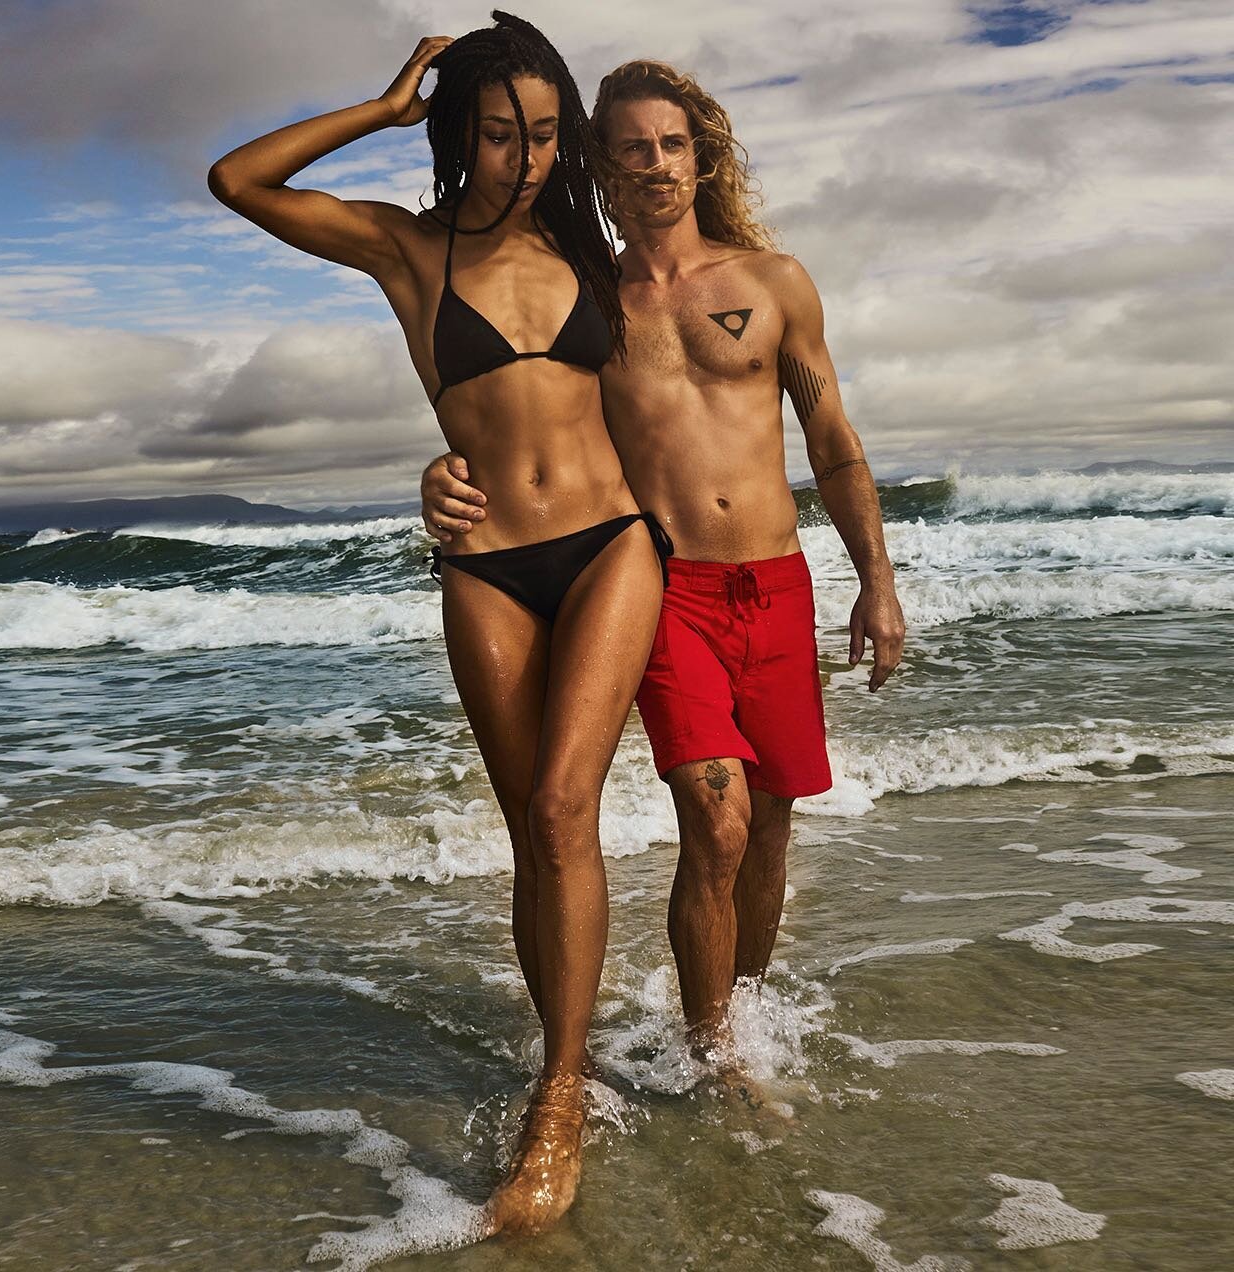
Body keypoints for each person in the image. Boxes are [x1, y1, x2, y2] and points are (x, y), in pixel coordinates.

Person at [208, 14, 672, 1236]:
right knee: (533, 828)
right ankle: (561, 1051)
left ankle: (558, 1106)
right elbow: (236, 180)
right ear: (461, 131)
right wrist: (382, 105)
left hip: (612, 545)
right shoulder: (410, 253)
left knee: (570, 806)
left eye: (541, 131)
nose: (525, 156)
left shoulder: (593, 237)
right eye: (499, 131)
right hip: (485, 564)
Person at [421, 60, 906, 1089]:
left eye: (673, 144)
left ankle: (740, 1005)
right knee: (717, 816)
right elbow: (515, 408)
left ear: (702, 154)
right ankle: (715, 1050)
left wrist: (878, 577)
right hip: (666, 583)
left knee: (768, 824)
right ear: (602, 165)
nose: (655, 164)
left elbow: (833, 439)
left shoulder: (773, 284)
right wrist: (444, 468)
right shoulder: (586, 298)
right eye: (632, 147)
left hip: (775, 585)